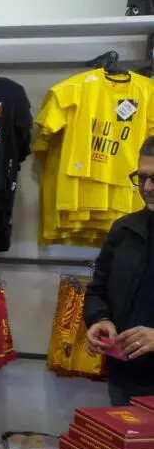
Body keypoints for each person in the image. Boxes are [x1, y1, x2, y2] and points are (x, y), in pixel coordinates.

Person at [86, 136, 154, 405]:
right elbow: (97, 291)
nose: (147, 188)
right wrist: (101, 320)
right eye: (142, 178)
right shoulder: (124, 230)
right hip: (124, 380)